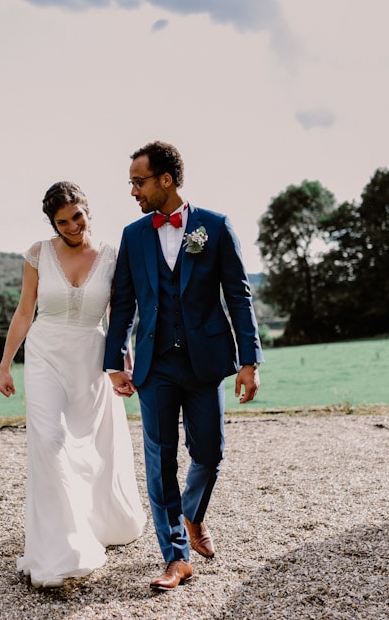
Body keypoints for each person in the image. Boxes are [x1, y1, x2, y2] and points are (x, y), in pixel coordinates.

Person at [103, 141, 264, 591]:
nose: (133, 191)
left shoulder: (214, 227)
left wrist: (249, 360)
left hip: (205, 362)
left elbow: (239, 296)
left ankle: (192, 513)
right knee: (159, 460)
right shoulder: (134, 235)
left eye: (139, 181)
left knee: (210, 453)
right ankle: (176, 556)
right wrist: (115, 360)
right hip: (154, 365)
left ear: (166, 180)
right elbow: (123, 302)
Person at [0, 181, 146, 588]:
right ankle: (62, 547)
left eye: (77, 216)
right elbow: (25, 311)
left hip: (91, 359)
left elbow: (119, 316)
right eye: (62, 222)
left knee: (92, 448)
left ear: (87, 210)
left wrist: (122, 363)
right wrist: (5, 365)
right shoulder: (37, 254)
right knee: (49, 441)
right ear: (53, 224)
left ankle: (95, 520)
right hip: (45, 355)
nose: (72, 226)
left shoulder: (112, 257)